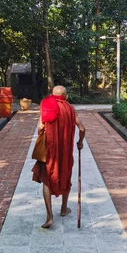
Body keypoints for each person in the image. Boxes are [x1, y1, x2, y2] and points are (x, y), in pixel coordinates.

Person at [32, 85, 86, 228]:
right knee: (65, 174)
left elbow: (40, 127)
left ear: (52, 94)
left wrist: (42, 139)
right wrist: (80, 142)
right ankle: (63, 209)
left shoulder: (47, 105)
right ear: (66, 96)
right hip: (65, 150)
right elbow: (82, 128)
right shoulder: (70, 108)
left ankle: (49, 217)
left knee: (46, 179)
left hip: (50, 150)